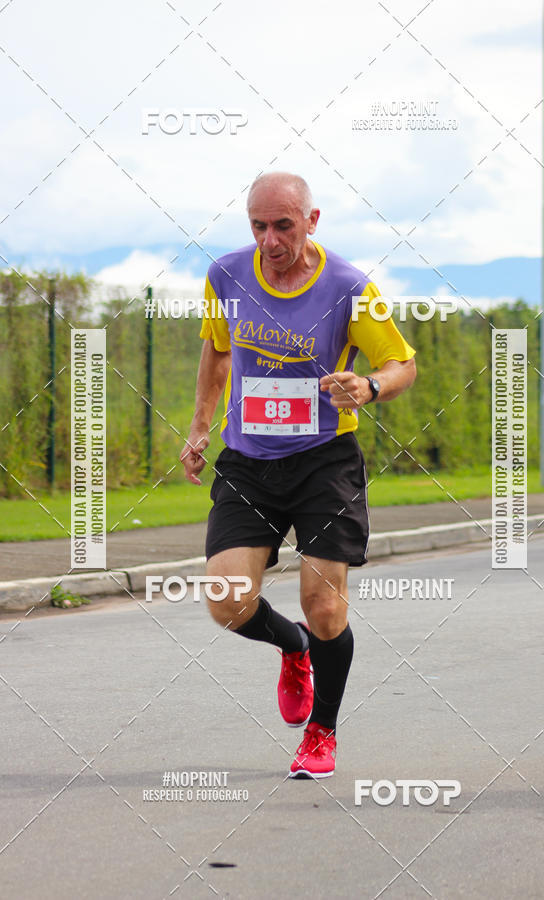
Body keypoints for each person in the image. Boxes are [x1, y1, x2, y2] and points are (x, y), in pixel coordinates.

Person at [180, 172, 416, 778]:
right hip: (249, 462)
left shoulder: (349, 287)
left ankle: (321, 732)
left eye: (283, 226)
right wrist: (200, 427)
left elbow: (401, 363)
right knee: (227, 600)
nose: (270, 240)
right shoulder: (226, 276)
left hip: (323, 462)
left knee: (325, 605)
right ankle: (294, 645)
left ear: (312, 221)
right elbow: (218, 349)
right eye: (259, 226)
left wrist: (370, 385)